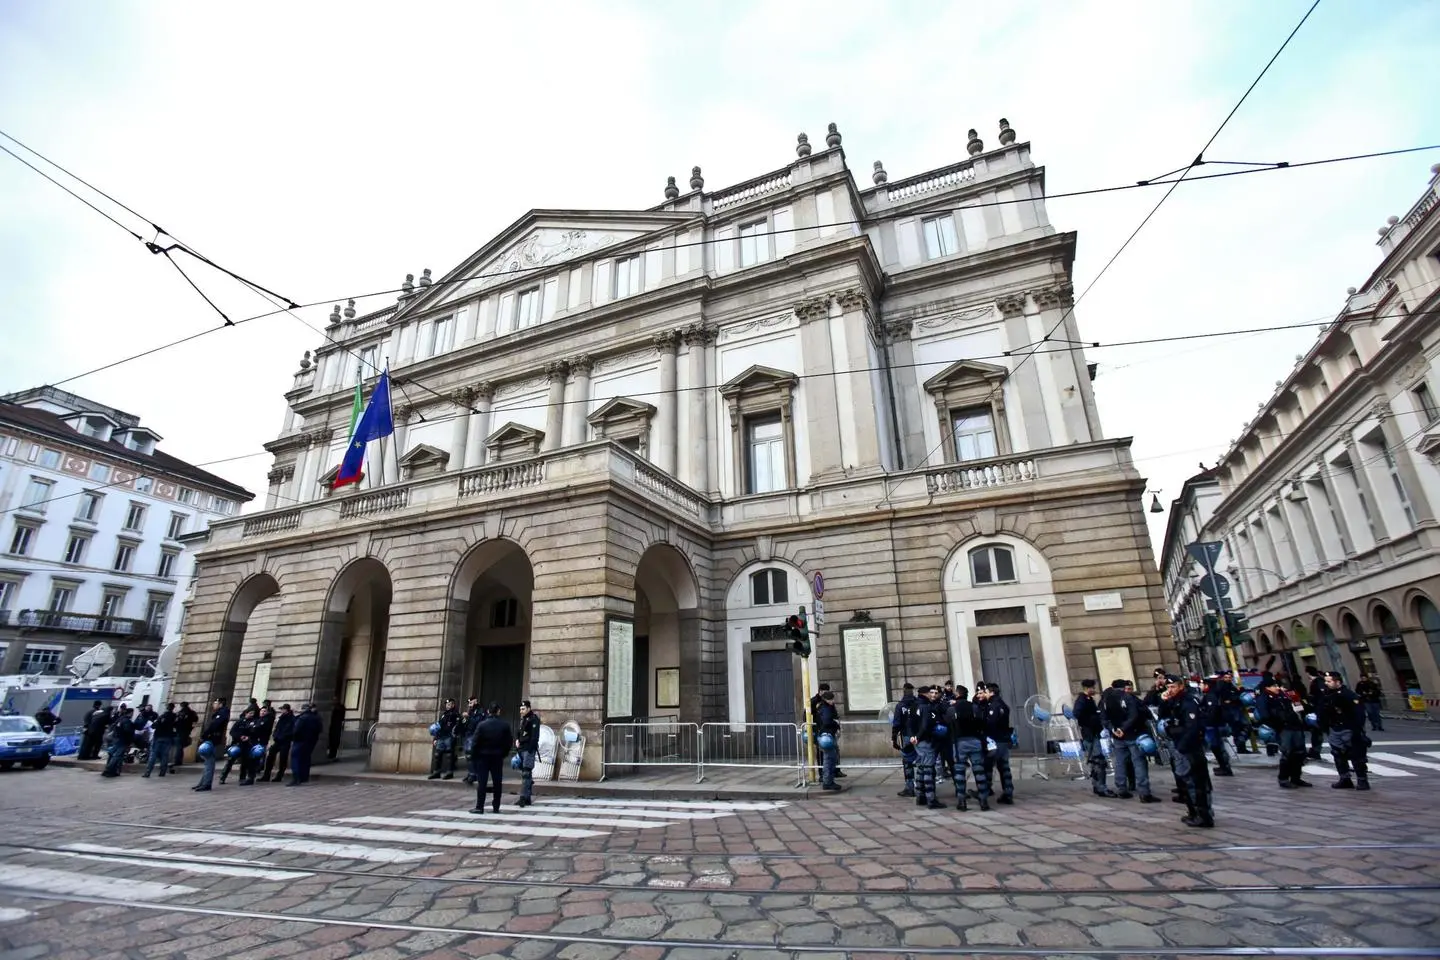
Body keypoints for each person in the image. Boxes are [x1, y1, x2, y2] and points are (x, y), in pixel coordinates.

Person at [1160, 673, 1214, 828]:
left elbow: (1192, 727)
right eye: (1168, 687)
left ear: (1181, 686)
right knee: (1186, 780)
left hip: (1190, 746)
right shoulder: (1174, 701)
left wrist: (1182, 746)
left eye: (1173, 687)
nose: (1170, 690)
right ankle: (1193, 812)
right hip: (1181, 745)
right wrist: (1164, 702)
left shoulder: (1188, 701)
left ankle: (1203, 816)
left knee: (1196, 782)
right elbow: (1163, 717)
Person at [1104, 678, 1159, 803]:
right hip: (1133, 734)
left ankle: (1121, 789)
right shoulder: (1128, 698)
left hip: (1117, 735)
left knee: (1120, 762)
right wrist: (1124, 728)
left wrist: (1113, 729)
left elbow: (1104, 718)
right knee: (1139, 762)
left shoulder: (1106, 699)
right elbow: (1134, 715)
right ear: (1124, 687)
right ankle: (1144, 793)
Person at [1319, 671, 1370, 791]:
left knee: (1356, 756)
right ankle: (1345, 779)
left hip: (1348, 729)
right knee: (1338, 755)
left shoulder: (1348, 694)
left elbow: (1359, 714)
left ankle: (1362, 780)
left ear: (1338, 682)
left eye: (1329, 681)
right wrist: (1324, 726)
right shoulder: (1327, 695)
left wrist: (1356, 729)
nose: (1326, 684)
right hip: (1334, 728)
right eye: (1326, 681)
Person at [1257, 676, 1311, 789]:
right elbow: (1265, 716)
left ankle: (1296, 777)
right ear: (1267, 687)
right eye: (1274, 686)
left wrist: (1295, 699)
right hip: (1283, 728)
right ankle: (1284, 778)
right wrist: (1277, 726)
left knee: (1299, 752)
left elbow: (1300, 707)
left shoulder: (1285, 694)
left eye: (1278, 685)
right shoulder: (1265, 698)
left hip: (1295, 726)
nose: (1277, 687)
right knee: (1287, 753)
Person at [947, 685, 988, 811]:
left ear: (957, 694)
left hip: (960, 742)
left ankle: (962, 801)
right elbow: (982, 723)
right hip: (975, 740)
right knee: (979, 771)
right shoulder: (974, 707)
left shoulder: (952, 709)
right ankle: (983, 801)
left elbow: (949, 725)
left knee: (959, 772)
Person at [1072, 679, 1114, 797]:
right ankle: (1101, 787)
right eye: (1092, 688)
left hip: (1093, 732)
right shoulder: (1082, 700)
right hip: (1089, 734)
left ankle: (1098, 785)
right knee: (1098, 760)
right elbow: (1077, 713)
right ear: (1087, 688)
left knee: (1096, 760)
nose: (1094, 690)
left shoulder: (1089, 699)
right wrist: (1090, 720)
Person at [469, 703, 514, 814]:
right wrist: (504, 753)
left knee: (482, 783)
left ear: (488, 712)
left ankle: (480, 807)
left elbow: (475, 742)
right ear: (498, 711)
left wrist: (473, 756)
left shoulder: (482, 725)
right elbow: (509, 742)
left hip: (482, 757)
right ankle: (496, 807)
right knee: (497, 783)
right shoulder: (504, 725)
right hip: (497, 757)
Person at [978, 682, 1014, 805]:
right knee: (1004, 768)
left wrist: (985, 735)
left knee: (987, 766)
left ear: (991, 692)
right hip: (1004, 739)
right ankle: (1008, 792)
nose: (986, 694)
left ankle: (985, 791)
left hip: (995, 740)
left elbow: (991, 724)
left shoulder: (994, 706)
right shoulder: (1004, 705)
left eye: (986, 692)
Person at [890, 683, 920, 798]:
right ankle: (921, 786)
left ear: (904, 691)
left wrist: (894, 738)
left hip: (907, 735)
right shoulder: (918, 704)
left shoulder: (900, 706)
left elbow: (896, 723)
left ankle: (909, 787)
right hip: (918, 736)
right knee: (920, 760)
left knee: (907, 762)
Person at [192, 698, 229, 792]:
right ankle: (203, 783)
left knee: (209, 763)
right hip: (211, 739)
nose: (213, 705)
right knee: (207, 762)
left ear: (220, 704)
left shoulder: (222, 712)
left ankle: (206, 784)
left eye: (215, 703)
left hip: (213, 739)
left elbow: (214, 725)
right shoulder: (219, 713)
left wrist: (204, 735)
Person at [514, 700, 541, 807]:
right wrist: (517, 739)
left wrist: (530, 749)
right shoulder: (523, 719)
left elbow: (534, 736)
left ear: (529, 708)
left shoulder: (534, 719)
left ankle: (522, 798)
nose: (521, 711)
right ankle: (527, 798)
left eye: (523, 709)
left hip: (528, 749)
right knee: (526, 774)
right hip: (522, 749)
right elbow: (519, 732)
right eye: (520, 709)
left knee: (526, 773)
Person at [288, 702, 323, 786]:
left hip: (300, 741)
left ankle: (296, 778)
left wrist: (293, 738)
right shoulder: (317, 718)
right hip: (311, 741)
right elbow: (320, 729)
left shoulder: (302, 718)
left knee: (296, 759)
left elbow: (296, 730)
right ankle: (304, 778)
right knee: (306, 759)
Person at [429, 698, 462, 780]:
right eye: (447, 704)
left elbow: (459, 726)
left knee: (449, 755)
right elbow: (439, 727)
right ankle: (437, 772)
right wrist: (436, 738)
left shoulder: (456, 714)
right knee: (437, 754)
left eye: (449, 704)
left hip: (449, 736)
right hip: (441, 737)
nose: (447, 706)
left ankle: (449, 772)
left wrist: (455, 734)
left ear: (453, 705)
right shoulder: (443, 715)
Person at [815, 690, 842, 792]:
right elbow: (827, 721)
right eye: (830, 699)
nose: (832, 701)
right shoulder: (826, 708)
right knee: (829, 759)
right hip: (827, 735)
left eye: (832, 699)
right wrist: (835, 723)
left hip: (826, 735)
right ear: (826, 699)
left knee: (831, 758)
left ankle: (829, 780)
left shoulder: (823, 707)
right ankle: (827, 782)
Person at [144, 703, 178, 778]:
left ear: (167, 708)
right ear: (173, 708)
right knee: (165, 755)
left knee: (153, 755)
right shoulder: (174, 716)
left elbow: (153, 726)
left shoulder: (162, 716)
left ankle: (148, 772)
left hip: (158, 737)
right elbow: (176, 726)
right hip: (168, 737)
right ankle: (162, 772)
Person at [263, 704, 295, 782]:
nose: (281, 711)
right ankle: (266, 775)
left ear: (286, 710)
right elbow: (277, 728)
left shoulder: (292, 718)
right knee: (270, 756)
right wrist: (275, 735)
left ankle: (279, 776)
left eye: (282, 709)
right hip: (278, 741)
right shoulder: (281, 718)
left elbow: (291, 730)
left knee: (283, 759)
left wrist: (283, 736)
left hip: (285, 741)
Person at [101, 706, 136, 778]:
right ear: (130, 713)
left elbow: (114, 727)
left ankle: (114, 770)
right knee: (117, 756)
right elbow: (128, 732)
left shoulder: (120, 719)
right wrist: (130, 742)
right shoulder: (127, 721)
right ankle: (109, 770)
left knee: (113, 754)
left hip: (116, 739)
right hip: (122, 740)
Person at [174, 702, 199, 771]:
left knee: (179, 746)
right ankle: (179, 760)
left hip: (180, 731)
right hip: (187, 731)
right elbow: (196, 719)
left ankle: (177, 761)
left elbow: (175, 722)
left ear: (181, 706)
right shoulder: (192, 712)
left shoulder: (179, 713)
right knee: (181, 746)